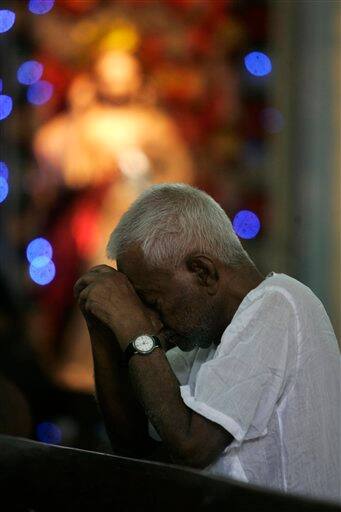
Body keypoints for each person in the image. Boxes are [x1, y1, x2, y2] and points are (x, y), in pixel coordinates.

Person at [74, 183, 340, 502]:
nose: (153, 322)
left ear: (203, 271)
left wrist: (133, 328)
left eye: (154, 302)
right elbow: (133, 447)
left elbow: (192, 446)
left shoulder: (280, 303)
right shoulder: (206, 341)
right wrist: (103, 329)